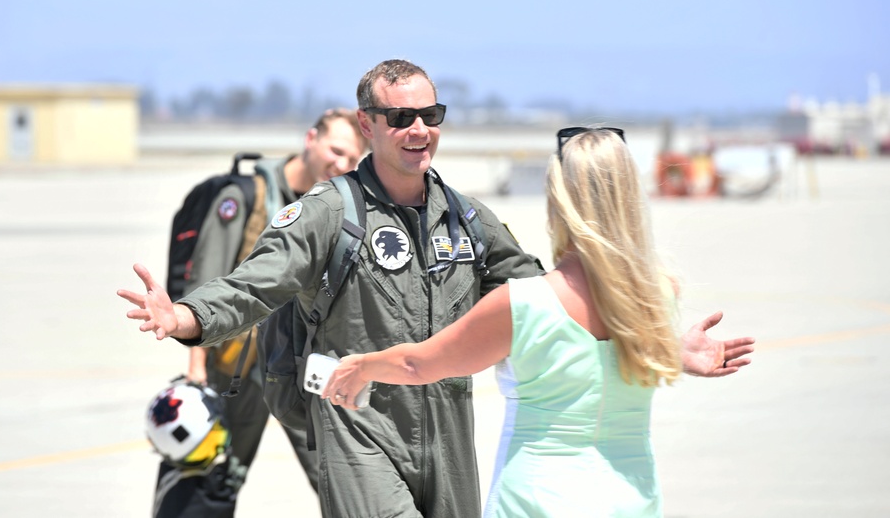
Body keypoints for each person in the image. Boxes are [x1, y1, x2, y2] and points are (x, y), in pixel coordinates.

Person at [119, 60, 753, 518]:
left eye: (431, 114)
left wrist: (665, 343)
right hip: (358, 421)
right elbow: (256, 285)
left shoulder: (468, 219)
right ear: (368, 125)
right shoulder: (325, 214)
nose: (419, 128)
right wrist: (183, 316)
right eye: (401, 117)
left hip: (448, 430)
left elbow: (555, 301)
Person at [320, 127, 755, 517]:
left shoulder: (525, 302)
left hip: (536, 501)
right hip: (632, 500)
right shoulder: (659, 294)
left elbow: (421, 365)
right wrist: (669, 350)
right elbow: (603, 360)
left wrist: (363, 365)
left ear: (561, 200)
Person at [153, 108, 369, 517]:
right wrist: (197, 370)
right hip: (231, 368)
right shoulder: (245, 199)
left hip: (302, 370)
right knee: (206, 479)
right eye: (336, 150)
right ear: (311, 139)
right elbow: (206, 276)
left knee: (342, 481)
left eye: (352, 159)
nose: (341, 164)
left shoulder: (337, 209)